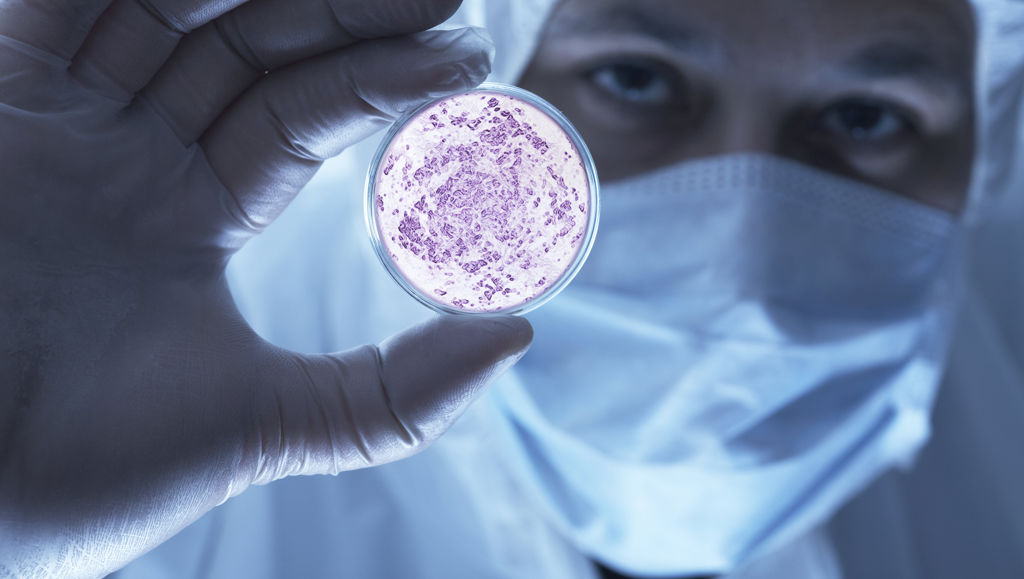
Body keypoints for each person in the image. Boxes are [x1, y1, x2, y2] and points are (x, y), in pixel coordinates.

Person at [2, 1, 1022, 578]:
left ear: (984, 156)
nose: (742, 272)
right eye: (635, 77)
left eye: (868, 116)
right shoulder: (162, 476)